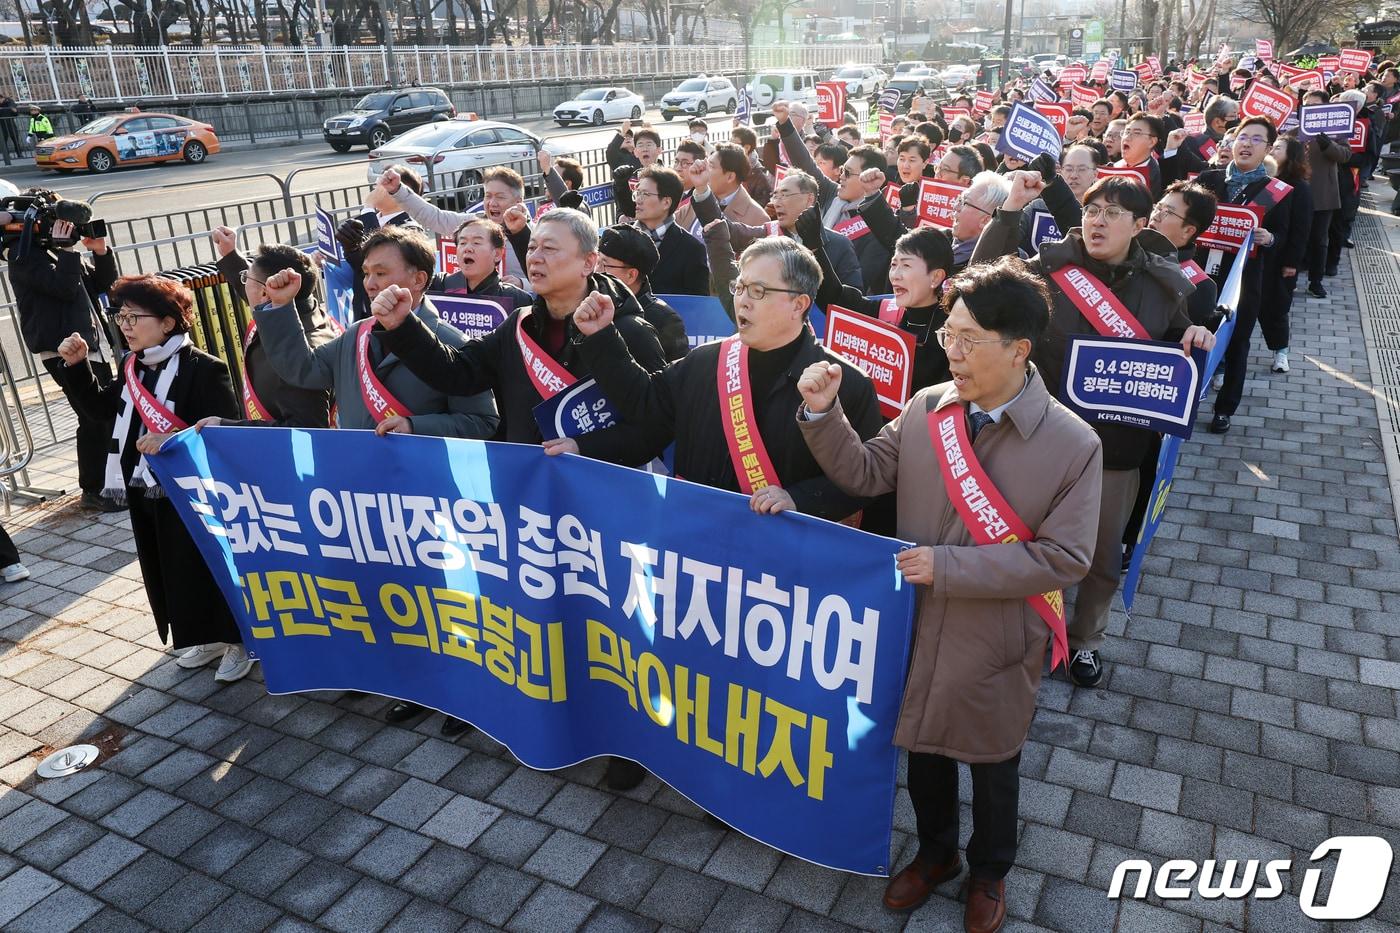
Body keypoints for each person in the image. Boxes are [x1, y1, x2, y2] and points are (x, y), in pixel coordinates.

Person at [792, 256, 1103, 932]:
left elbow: (1066, 557)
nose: (952, 351)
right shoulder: (927, 406)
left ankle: (989, 869)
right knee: (925, 747)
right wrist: (822, 413)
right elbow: (868, 470)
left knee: (993, 760)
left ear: (1018, 348)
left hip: (995, 634)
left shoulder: (1074, 443)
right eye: (948, 336)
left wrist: (949, 567)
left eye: (969, 340)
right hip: (915, 620)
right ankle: (935, 853)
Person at [973, 174, 1214, 689]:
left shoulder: (1163, 285)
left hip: (1118, 448)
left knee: (1102, 555)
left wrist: (1194, 333)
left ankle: (1085, 641)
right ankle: (1022, 635)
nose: (1098, 220)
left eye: (1113, 212)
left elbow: (1178, 347)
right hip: (1039, 437)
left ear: (1140, 225)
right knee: (1024, 544)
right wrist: (1012, 209)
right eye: (1093, 209)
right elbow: (981, 279)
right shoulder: (1050, 269)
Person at [553, 235, 882, 525]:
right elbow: (648, 408)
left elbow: (864, 483)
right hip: (696, 546)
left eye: (758, 291)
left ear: (799, 304)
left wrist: (798, 499)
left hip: (781, 569)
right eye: (739, 287)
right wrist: (601, 337)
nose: (743, 300)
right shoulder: (706, 361)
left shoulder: (842, 382)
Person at [55, 276, 251, 682]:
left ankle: (239, 642)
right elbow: (97, 412)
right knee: (172, 568)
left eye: (133, 316)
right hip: (147, 486)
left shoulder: (203, 368)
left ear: (167, 322)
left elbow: (222, 433)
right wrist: (76, 368)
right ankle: (206, 637)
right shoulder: (132, 367)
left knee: (209, 564)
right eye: (120, 316)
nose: (124, 325)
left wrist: (173, 439)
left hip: (195, 491)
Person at [375, 208, 666, 445]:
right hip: (527, 499)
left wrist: (585, 448)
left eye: (549, 248)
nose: (535, 257)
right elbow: (459, 374)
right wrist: (403, 326)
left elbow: (656, 425)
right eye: (531, 247)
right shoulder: (520, 325)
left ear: (589, 262)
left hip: (598, 501)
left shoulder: (628, 330)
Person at [8, 212, 123, 513]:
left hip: (90, 345)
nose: (67, 228)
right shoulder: (24, 257)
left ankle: (110, 481)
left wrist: (99, 251)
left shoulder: (55, 251)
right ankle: (94, 489)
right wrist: (68, 251)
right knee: (92, 416)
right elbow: (64, 287)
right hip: (64, 350)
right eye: (60, 222)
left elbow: (102, 285)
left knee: (103, 414)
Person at [1190, 115, 1292, 434]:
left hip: (1245, 281)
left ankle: (1225, 409)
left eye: (1255, 139)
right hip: (1200, 274)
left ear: (1269, 148)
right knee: (1192, 337)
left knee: (1237, 344)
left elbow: (1284, 236)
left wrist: (1269, 239)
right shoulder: (1208, 179)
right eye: (1242, 137)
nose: (1246, 144)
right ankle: (1186, 402)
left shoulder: (1277, 191)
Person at [206, 228, 337, 428]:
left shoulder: (298, 357)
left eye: (245, 277)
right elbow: (257, 292)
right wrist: (231, 255)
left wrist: (226, 427)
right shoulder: (306, 309)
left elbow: (307, 430)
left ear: (267, 293)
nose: (244, 283)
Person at [380, 165, 529, 287]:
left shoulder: (534, 234)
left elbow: (550, 277)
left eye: (500, 197)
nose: (492, 203)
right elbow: (434, 217)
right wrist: (398, 190)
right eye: (488, 196)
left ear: (518, 201)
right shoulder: (472, 223)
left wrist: (522, 284)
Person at [1258, 133, 1312, 375]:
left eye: (1278, 148)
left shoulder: (1299, 187)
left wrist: (1292, 262)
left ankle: (1281, 352)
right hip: (1253, 256)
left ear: (1291, 156)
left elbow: (1301, 229)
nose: (1272, 150)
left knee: (1276, 308)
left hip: (1279, 259)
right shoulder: (1260, 178)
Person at [596, 223, 689, 361]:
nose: (597, 271)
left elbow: (679, 376)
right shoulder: (587, 304)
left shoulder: (664, 320)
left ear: (631, 275)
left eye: (604, 264)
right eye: (597, 262)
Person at [1299, 89, 1349, 300]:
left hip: (1324, 195)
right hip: (1299, 193)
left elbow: (1345, 155)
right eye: (1308, 106)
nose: (1311, 110)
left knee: (1320, 240)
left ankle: (1315, 281)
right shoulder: (1296, 131)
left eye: (1316, 106)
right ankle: (1291, 276)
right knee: (1298, 238)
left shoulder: (1337, 132)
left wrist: (1327, 144)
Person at [631, 165, 709, 296]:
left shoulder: (692, 250)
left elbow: (697, 306)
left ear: (666, 202)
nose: (638, 200)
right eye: (637, 193)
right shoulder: (620, 239)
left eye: (645, 194)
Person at [436, 216, 532, 309]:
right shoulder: (438, 285)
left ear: (497, 254)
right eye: (462, 243)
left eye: (476, 243)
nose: (467, 248)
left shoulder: (517, 299)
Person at [673, 143, 771, 233]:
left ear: (730, 177)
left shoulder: (758, 218)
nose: (704, 169)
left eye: (710, 166)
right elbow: (670, 225)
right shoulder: (698, 198)